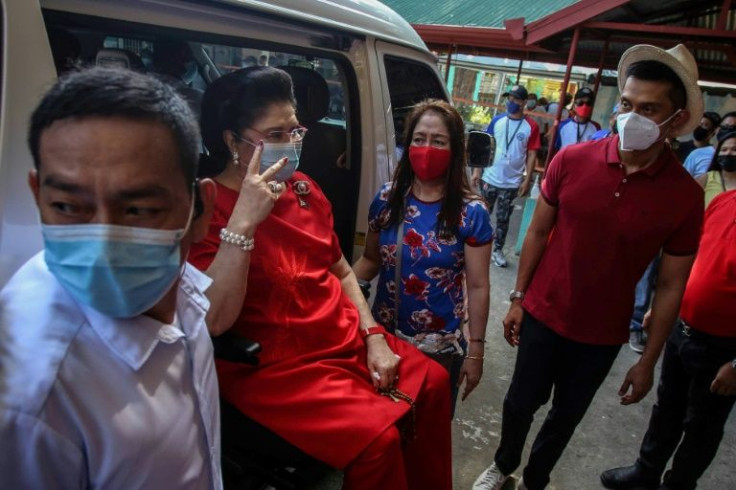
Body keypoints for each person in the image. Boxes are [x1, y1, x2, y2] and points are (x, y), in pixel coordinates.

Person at [188, 66, 452, 490]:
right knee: (378, 442)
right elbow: (213, 321)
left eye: (296, 130)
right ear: (232, 141)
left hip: (338, 337)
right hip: (273, 367)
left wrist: (374, 336)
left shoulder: (305, 189)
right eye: (276, 135)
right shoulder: (210, 208)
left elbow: (342, 270)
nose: (292, 144)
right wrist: (244, 221)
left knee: (436, 382)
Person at [472, 43, 704, 490]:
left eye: (649, 108)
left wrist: (648, 361)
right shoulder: (572, 160)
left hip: (602, 335)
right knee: (520, 402)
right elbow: (537, 233)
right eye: (627, 103)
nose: (632, 116)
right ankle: (503, 466)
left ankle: (535, 479)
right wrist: (517, 297)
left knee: (566, 416)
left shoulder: (684, 196)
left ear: (675, 120)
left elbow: (672, 285)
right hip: (543, 312)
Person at [0, 67, 222, 488]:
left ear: (201, 210)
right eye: (67, 206)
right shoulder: (28, 404)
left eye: (138, 211)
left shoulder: (182, 288)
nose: (102, 245)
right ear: (38, 195)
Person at [353, 99, 493, 415]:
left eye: (438, 141)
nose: (426, 148)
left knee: (426, 436)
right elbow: (371, 260)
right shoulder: (387, 199)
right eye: (419, 139)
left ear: (455, 150)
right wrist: (341, 290)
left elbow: (478, 287)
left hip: (439, 351)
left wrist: (476, 353)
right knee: (382, 428)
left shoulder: (472, 213)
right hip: (384, 343)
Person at [600, 189, 736, 490]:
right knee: (666, 409)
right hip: (684, 329)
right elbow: (692, 261)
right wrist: (660, 307)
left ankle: (678, 485)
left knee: (701, 426)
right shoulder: (724, 202)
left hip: (724, 349)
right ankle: (645, 472)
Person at [471, 84, 541, 268]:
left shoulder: (531, 127)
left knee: (503, 219)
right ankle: (474, 247)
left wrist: (527, 180)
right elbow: (483, 145)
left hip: (511, 183)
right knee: (481, 214)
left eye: (516, 99)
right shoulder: (497, 121)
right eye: (509, 98)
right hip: (489, 178)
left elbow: (532, 154)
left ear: (524, 102)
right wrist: (477, 170)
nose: (511, 102)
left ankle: (497, 250)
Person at [683, 111, 736, 177]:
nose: (728, 132)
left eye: (734, 129)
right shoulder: (696, 154)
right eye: (725, 127)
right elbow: (682, 181)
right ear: (717, 130)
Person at [696, 130, 736, 207]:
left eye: (735, 150)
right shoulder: (706, 179)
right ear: (717, 154)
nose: (728, 153)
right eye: (724, 150)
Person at [554, 87, 601, 151]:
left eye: (588, 103)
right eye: (580, 103)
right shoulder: (562, 125)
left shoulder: (596, 127)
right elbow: (557, 147)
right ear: (574, 106)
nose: (584, 106)